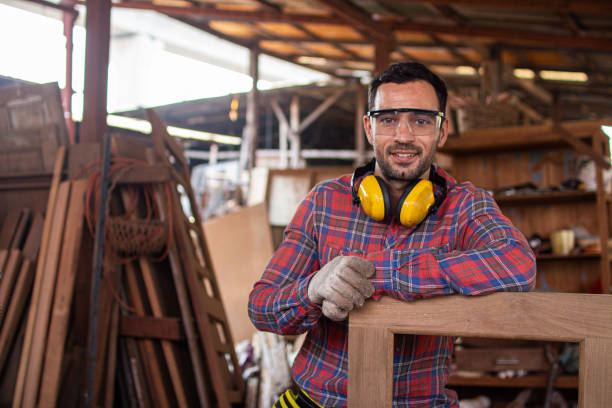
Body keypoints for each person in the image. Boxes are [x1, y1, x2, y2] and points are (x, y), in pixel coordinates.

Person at [248, 62, 536, 407]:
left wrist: (385, 274)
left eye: (421, 121)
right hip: (317, 400)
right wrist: (312, 290)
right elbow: (262, 307)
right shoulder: (324, 203)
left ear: (442, 132)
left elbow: (519, 264)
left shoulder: (465, 206)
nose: (403, 136)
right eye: (388, 120)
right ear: (369, 128)